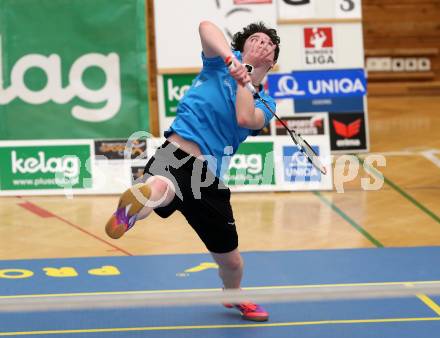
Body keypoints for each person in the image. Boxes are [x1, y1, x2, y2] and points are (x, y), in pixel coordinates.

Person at [105, 20, 280, 322]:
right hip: (176, 152)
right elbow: (205, 27)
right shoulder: (217, 66)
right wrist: (232, 61)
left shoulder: (265, 101)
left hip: (208, 179)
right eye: (256, 38)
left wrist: (245, 77)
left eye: (269, 43)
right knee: (159, 188)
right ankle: (131, 211)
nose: (262, 43)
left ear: (273, 62)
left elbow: (243, 117)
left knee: (232, 263)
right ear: (241, 45)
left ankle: (232, 293)